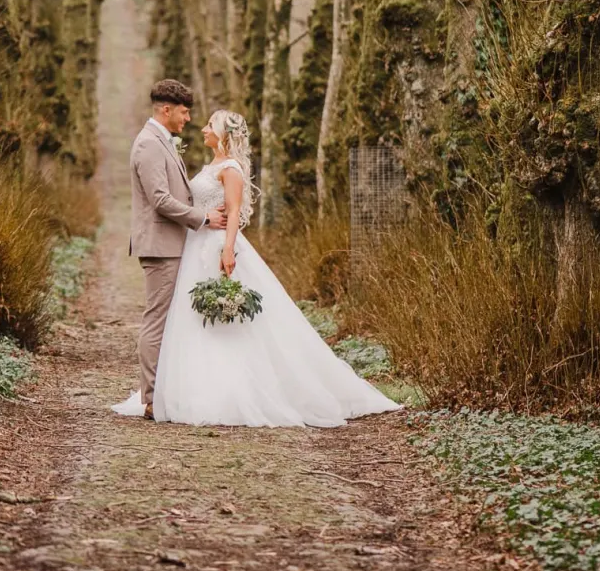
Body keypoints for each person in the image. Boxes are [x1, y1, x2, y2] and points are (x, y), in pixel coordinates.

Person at [114, 106, 401, 427]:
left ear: (225, 134)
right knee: (194, 320)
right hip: (195, 246)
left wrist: (227, 250)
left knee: (229, 319)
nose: (203, 128)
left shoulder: (232, 168)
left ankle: (238, 388)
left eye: (210, 125)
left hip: (217, 246)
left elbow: (234, 211)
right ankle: (193, 385)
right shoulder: (213, 164)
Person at [125, 79, 228, 421]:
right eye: (183, 112)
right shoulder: (148, 145)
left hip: (173, 243)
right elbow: (160, 200)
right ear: (165, 109)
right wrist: (203, 219)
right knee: (157, 321)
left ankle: (166, 391)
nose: (187, 119)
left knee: (170, 321)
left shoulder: (162, 141)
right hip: (160, 245)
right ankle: (152, 399)